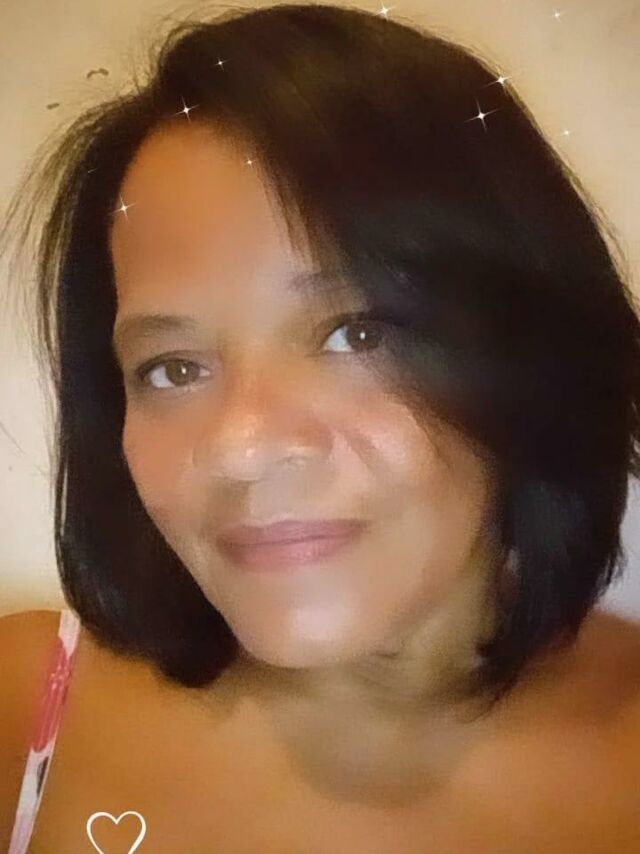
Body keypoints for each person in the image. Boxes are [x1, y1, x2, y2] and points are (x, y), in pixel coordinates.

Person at [1, 3, 640, 851]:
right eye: (172, 368)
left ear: (529, 352)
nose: (241, 446)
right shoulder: (21, 704)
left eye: (356, 334)